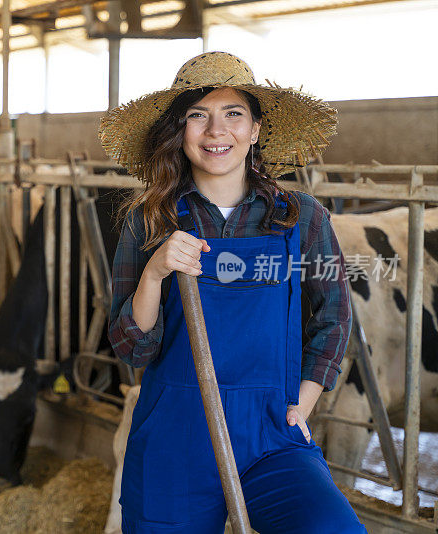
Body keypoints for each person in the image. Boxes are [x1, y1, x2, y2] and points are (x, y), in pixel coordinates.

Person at [100, 51, 367, 533]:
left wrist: (301, 407)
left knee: (334, 528)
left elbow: (335, 315)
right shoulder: (148, 220)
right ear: (179, 132)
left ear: (257, 129)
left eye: (233, 114)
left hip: (272, 434)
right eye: (197, 116)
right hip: (174, 437)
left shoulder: (301, 217)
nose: (215, 131)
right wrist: (154, 274)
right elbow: (129, 345)